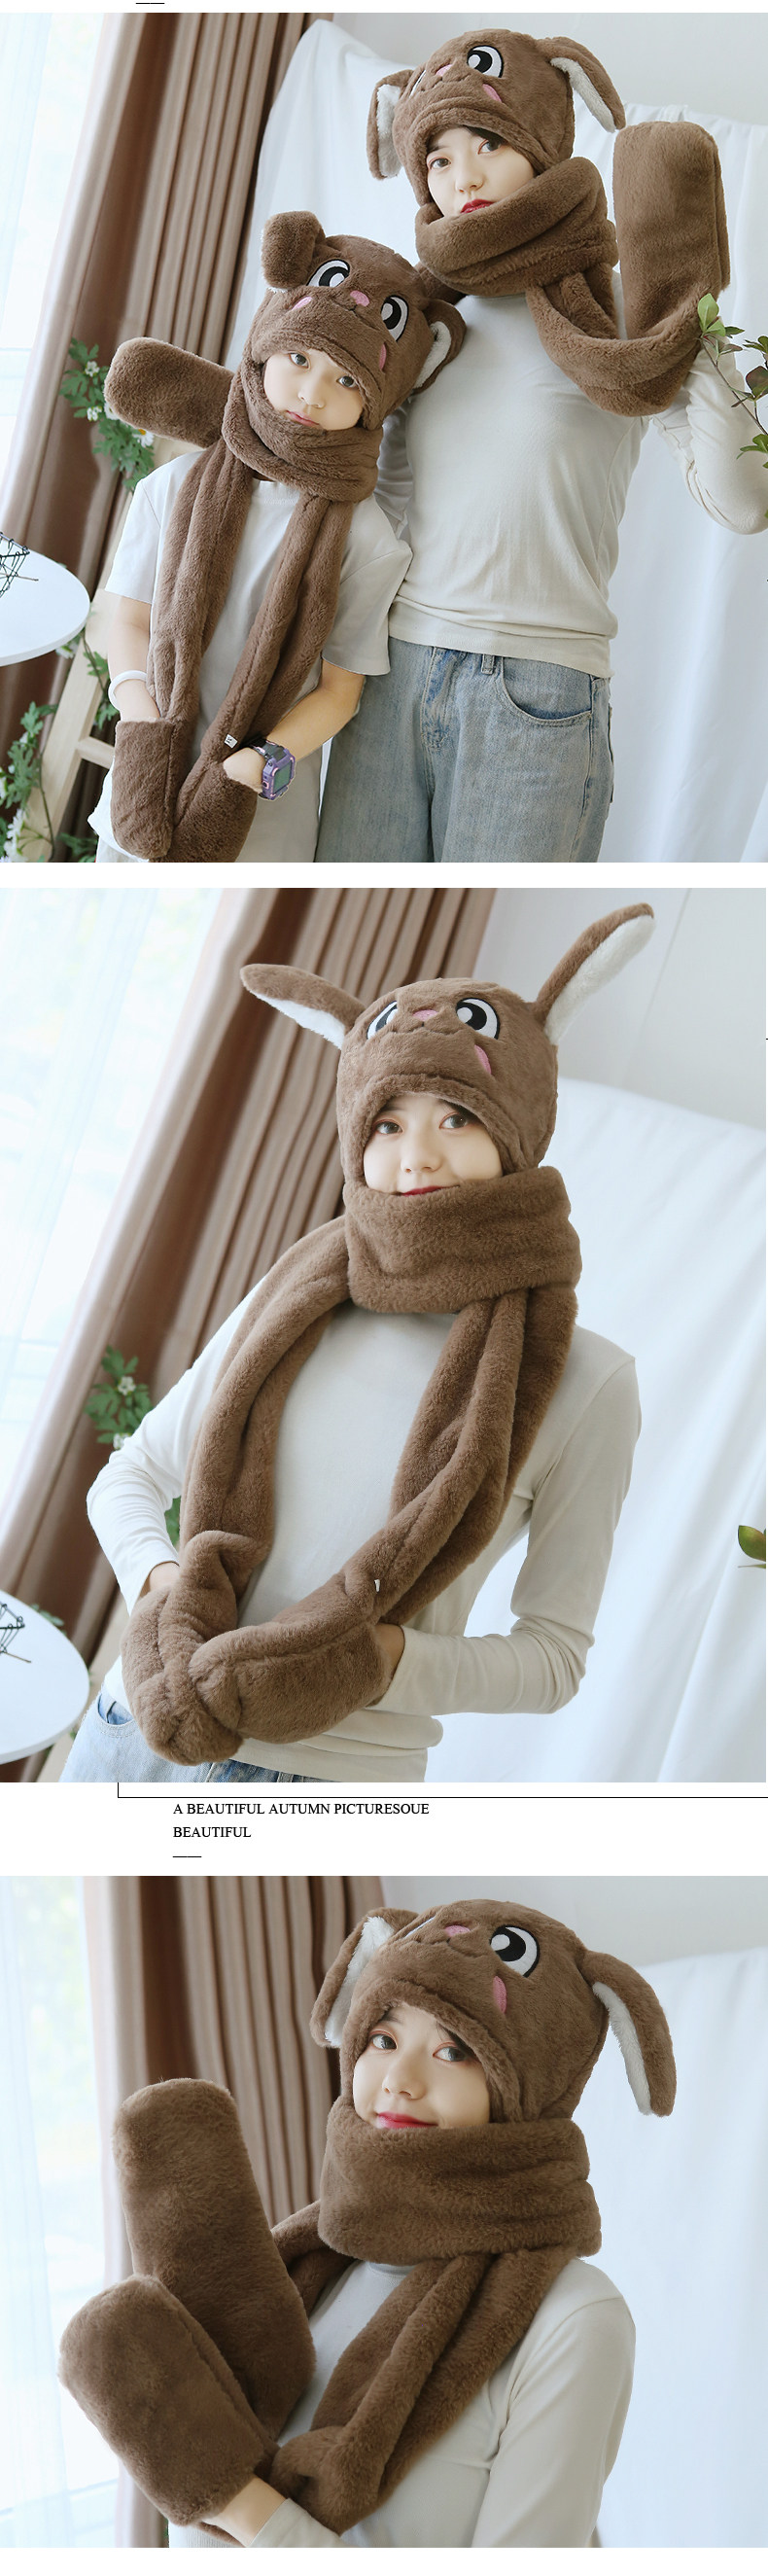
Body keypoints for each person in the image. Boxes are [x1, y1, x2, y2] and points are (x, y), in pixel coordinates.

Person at [61, 907, 651, 1786]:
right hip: (136, 1723)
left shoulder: (588, 1380)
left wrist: (375, 1660)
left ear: (520, 1124)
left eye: (457, 1116)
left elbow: (553, 1658)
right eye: (386, 1123)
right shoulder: (297, 1293)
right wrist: (169, 1597)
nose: (416, 1158)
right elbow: (130, 1478)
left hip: (328, 1783)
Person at [59, 1898, 677, 2545]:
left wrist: (234, 2499)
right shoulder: (300, 2268)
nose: (399, 2080)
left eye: (454, 2050)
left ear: (532, 2085)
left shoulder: (574, 2320)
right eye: (383, 2039)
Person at [315, 29, 768, 865]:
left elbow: (744, 504)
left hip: (537, 693)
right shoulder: (417, 319)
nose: (464, 178)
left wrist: (693, 319)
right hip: (387, 675)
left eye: (487, 143)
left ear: (541, 137)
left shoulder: (622, 312)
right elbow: (372, 493)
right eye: (439, 159)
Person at [88, 221, 461, 865]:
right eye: (300, 359)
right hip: (140, 786)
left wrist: (258, 765)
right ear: (266, 346)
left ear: (378, 400)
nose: (313, 394)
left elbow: (340, 691)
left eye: (348, 381)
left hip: (261, 825)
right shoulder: (170, 488)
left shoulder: (367, 540)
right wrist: (140, 716)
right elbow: (129, 620)